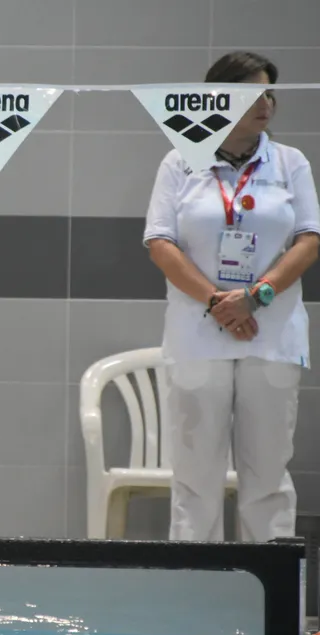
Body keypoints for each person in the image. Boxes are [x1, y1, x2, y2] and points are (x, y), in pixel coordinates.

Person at [143, 51, 320, 542]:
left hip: (271, 333)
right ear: (216, 100)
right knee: (195, 476)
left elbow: (309, 240)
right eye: (251, 94)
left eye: (269, 93)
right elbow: (160, 243)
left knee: (268, 476)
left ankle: (271, 587)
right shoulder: (180, 161)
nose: (266, 104)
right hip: (199, 334)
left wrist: (255, 298)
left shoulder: (290, 163)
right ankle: (194, 586)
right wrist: (218, 303)